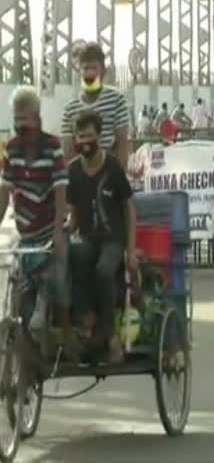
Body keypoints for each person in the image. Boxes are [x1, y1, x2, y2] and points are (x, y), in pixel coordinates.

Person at [0, 86, 77, 358]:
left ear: (36, 118)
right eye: (16, 120)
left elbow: (60, 191)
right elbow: (4, 192)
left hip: (50, 230)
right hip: (26, 235)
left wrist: (57, 232)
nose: (21, 126)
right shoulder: (11, 149)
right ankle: (25, 363)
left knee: (57, 282)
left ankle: (66, 333)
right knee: (19, 302)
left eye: (25, 120)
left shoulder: (52, 146)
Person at [67, 110, 137, 363]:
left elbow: (129, 208)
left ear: (99, 137)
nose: (84, 141)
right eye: (79, 136)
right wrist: (64, 231)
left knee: (104, 271)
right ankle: (85, 320)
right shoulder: (72, 171)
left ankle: (110, 335)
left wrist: (131, 249)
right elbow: (73, 214)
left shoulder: (112, 167)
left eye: (89, 135)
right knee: (71, 255)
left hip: (113, 239)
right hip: (87, 238)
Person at [60, 42, 130, 168]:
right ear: (80, 72)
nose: (89, 74)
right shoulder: (70, 109)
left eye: (93, 68)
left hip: (110, 173)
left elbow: (122, 146)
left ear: (103, 72)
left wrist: (119, 178)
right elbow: (68, 153)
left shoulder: (116, 100)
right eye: (86, 68)